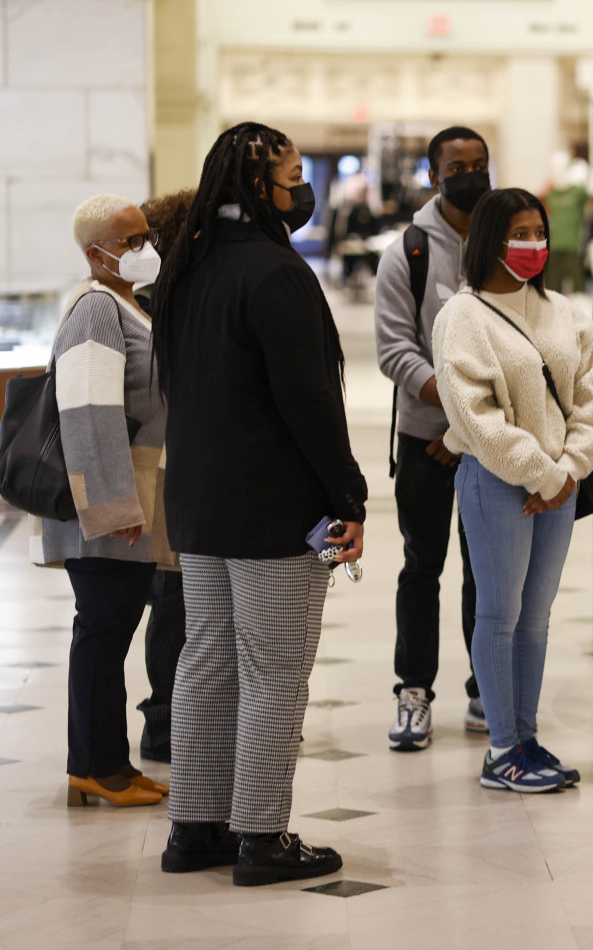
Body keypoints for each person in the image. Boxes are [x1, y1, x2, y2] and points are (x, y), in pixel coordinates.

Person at [153, 122, 367, 886]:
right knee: (275, 668)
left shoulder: (188, 268)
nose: (302, 190)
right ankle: (262, 836)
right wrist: (349, 496)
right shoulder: (276, 273)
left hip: (199, 504)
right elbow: (310, 404)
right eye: (293, 176)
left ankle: (195, 828)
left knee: (206, 660)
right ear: (258, 185)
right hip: (276, 509)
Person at [431, 187, 593, 794]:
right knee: (499, 614)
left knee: (535, 619)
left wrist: (569, 469)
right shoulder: (462, 317)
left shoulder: (562, 310)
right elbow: (475, 415)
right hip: (498, 483)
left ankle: (526, 738)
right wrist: (543, 475)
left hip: (560, 483)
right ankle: (502, 749)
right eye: (521, 234)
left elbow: (590, 396)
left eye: (539, 233)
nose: (534, 245)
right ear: (490, 240)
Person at [36, 195, 173, 809]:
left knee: (111, 633)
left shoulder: (126, 304)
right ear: (96, 253)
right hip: (108, 509)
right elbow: (89, 413)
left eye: (147, 235)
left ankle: (112, 762)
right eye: (130, 240)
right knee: (100, 632)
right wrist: (114, 506)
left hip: (128, 503)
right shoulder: (96, 308)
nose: (146, 248)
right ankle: (92, 768)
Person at [374, 125, 490, 752]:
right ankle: (413, 691)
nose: (469, 175)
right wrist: (455, 416)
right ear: (433, 176)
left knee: (486, 570)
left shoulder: (507, 243)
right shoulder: (408, 252)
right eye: (456, 167)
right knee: (423, 567)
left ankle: (485, 688)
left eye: (479, 164)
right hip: (426, 442)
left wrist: (471, 427)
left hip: (491, 443)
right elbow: (396, 350)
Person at [131, 188, 196, 765]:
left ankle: (169, 717)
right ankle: (166, 720)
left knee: (174, 598)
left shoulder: (158, 300)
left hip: (175, 467)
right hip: (171, 468)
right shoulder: (155, 305)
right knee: (174, 596)